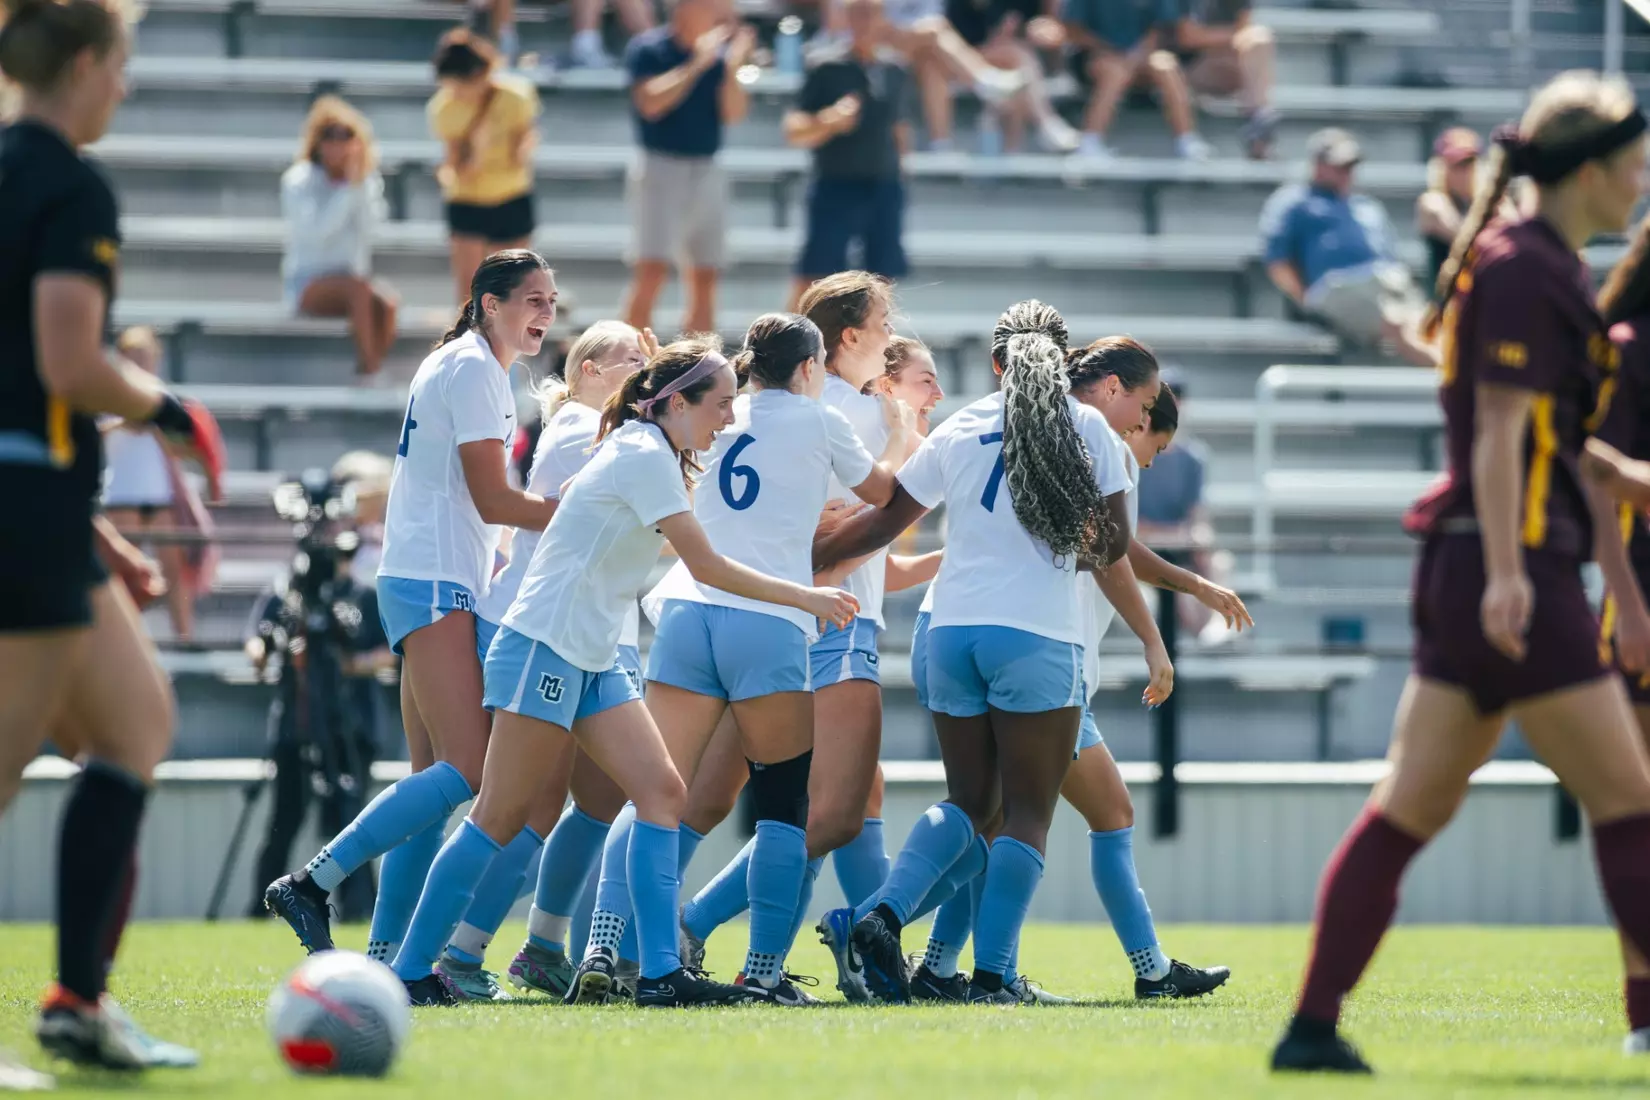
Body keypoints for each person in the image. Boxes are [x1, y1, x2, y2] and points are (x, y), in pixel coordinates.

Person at [1271, 71, 1650, 1074]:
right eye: (1634, 167)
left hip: (1478, 567)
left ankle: (1310, 1028)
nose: (1643, 184)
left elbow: (1561, 444)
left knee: (1410, 807)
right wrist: (1514, 573)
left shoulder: (1543, 261)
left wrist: (1615, 488)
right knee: (1631, 799)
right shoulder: (1528, 265)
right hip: (1507, 568)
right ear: (1590, 172)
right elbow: (1495, 430)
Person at [387, 335, 857, 1008]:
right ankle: (410, 969)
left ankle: (662, 973)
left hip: (594, 651)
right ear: (674, 404)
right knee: (499, 814)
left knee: (662, 792)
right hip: (546, 642)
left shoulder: (648, 451)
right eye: (720, 404)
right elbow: (709, 567)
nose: (729, 417)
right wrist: (805, 595)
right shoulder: (644, 456)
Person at [810, 300, 1139, 1004]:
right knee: (1025, 814)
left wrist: (808, 551)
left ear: (996, 364)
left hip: (949, 632)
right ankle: (993, 976)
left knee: (970, 801)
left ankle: (881, 916)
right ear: (1063, 361)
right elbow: (1113, 548)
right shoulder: (1087, 428)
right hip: (1036, 635)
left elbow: (884, 524)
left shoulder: (958, 426)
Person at [0, 0, 215, 1074]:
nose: (124, 88)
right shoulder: (66, 181)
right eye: (120, 67)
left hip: (42, 502)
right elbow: (65, 364)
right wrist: (168, 407)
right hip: (23, 500)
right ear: (84, 64)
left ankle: (78, 1003)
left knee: (135, 724)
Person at [264, 251, 561, 962]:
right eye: (532, 299)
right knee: (467, 769)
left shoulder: (466, 365)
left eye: (552, 302)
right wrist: (580, 511)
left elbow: (481, 505)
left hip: (423, 579)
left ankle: (389, 955)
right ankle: (313, 881)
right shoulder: (473, 369)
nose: (546, 314)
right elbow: (495, 499)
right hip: (433, 582)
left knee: (432, 781)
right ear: (489, 303)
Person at [910, 373, 1242, 1004]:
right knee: (1092, 813)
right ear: (1137, 415)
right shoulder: (1097, 444)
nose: (1152, 455)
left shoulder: (1057, 435)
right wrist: (1156, 634)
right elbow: (1109, 555)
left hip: (989, 640)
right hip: (1042, 657)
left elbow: (1116, 550)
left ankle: (935, 961)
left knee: (992, 819)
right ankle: (898, 925)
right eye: (1155, 437)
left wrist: (1191, 587)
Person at [671, 274, 928, 988]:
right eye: (884, 324)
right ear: (841, 342)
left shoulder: (771, 410)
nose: (890, 335)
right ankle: (710, 930)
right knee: (821, 809)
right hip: (818, 618)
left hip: (731, 614)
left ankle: (863, 944)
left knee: (839, 800)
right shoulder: (846, 412)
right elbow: (853, 525)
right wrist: (910, 440)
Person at [621, 0, 754, 335]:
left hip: (707, 167)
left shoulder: (720, 58)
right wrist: (697, 64)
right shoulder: (649, 49)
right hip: (660, 166)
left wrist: (733, 66)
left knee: (706, 274)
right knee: (652, 270)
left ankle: (699, 368)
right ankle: (627, 365)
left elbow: (734, 113)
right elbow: (650, 103)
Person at [1260, 127, 1434, 365]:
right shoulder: (1294, 202)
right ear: (1318, 165)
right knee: (1397, 323)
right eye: (1340, 166)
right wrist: (1306, 300)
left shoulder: (1367, 205)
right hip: (1336, 288)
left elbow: (1390, 256)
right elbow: (1277, 261)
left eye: (1351, 166)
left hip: (1388, 282)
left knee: (1433, 325)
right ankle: (1451, 378)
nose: (1347, 173)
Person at [785, 0, 912, 310]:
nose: (865, 21)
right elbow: (794, 128)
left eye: (872, 13)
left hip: (883, 184)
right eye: (859, 13)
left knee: (881, 283)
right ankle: (782, 348)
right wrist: (830, 119)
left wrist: (903, 174)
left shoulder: (894, 69)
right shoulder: (826, 67)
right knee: (815, 278)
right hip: (835, 183)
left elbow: (900, 128)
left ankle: (879, 352)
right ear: (847, 19)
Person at [100, 327, 212, 644]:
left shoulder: (164, 400)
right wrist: (129, 417)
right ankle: (122, 641)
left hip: (158, 496)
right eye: (135, 356)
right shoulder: (107, 392)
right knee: (125, 577)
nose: (142, 363)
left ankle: (184, 638)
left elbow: (186, 447)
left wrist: (159, 425)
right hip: (121, 497)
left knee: (173, 573)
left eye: (147, 356)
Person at [282, 95, 398, 384]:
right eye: (328, 136)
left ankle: (366, 370)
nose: (337, 145)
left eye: (346, 136)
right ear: (316, 142)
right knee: (358, 290)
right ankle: (372, 372)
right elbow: (317, 234)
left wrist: (358, 187)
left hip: (350, 282)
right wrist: (347, 190)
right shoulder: (299, 180)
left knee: (387, 303)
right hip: (307, 283)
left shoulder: (364, 181)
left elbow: (374, 230)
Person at [428, 31, 541, 309]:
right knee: (469, 288)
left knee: (515, 283)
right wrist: (475, 153)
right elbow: (456, 165)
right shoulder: (444, 107)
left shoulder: (515, 97)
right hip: (467, 197)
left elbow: (521, 152)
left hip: (510, 193)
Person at [1134, 369, 1232, 642]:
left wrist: (1197, 538)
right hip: (1143, 552)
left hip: (1176, 548)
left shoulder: (1194, 458)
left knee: (1218, 563)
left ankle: (1216, 624)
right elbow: (1132, 525)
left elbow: (1197, 516)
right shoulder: (1135, 454)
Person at [1061, 0, 1210, 161]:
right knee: (1116, 73)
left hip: (1142, 54)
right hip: (1097, 55)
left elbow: (1158, 28)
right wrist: (1109, 49)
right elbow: (1072, 30)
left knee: (1166, 66)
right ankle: (1090, 142)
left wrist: (1137, 54)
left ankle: (1186, 140)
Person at [1172, 0, 1276, 159]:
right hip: (1184, 72)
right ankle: (1258, 126)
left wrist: (1231, 37)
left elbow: (1245, 26)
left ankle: (1259, 121)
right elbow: (1188, 37)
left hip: (1226, 65)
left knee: (1260, 38)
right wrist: (1235, 35)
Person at [1416, 127, 1484, 290]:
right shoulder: (1432, 203)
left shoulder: (1480, 203)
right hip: (1445, 304)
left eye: (1469, 164)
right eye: (1457, 165)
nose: (1465, 173)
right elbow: (1466, 241)